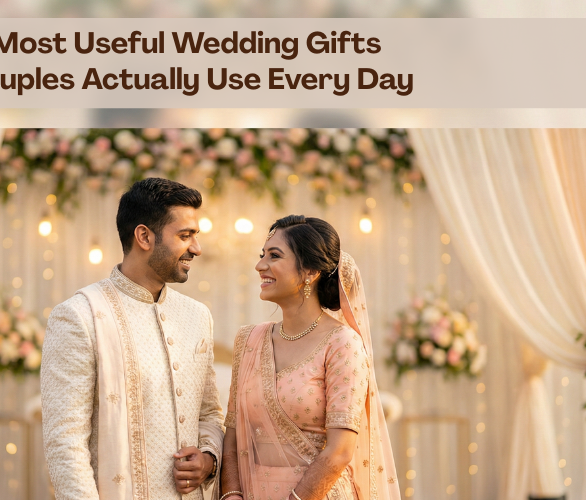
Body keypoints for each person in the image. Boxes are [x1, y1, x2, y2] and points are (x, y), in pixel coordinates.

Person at [41, 178, 225, 500]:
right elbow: (65, 443)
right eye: (185, 236)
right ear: (144, 236)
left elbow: (209, 413)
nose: (196, 248)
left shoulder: (197, 317)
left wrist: (209, 459)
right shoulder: (80, 315)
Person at [219, 215, 400, 500]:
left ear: (310, 272)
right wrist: (231, 495)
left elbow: (339, 451)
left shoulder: (343, 343)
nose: (260, 265)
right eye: (262, 255)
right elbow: (232, 434)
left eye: (274, 256)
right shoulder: (248, 340)